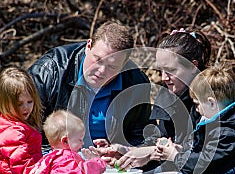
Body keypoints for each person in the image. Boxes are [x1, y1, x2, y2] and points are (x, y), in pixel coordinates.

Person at [93, 28, 235, 174]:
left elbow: (205, 156)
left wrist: (153, 153)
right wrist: (129, 151)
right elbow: (163, 142)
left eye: (171, 70)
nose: (164, 77)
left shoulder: (214, 97)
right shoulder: (170, 94)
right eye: (161, 70)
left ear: (193, 66)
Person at [28, 21, 151, 153]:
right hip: (52, 164)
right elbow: (19, 131)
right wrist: (60, 157)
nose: (102, 71)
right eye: (98, 60)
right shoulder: (50, 71)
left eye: (112, 67)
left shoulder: (137, 83)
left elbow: (143, 137)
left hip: (109, 168)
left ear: (124, 64)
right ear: (88, 46)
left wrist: (125, 152)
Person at [19, 110, 107, 174]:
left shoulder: (48, 159)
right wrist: (96, 161)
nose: (82, 143)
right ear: (65, 141)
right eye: (79, 140)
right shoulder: (67, 159)